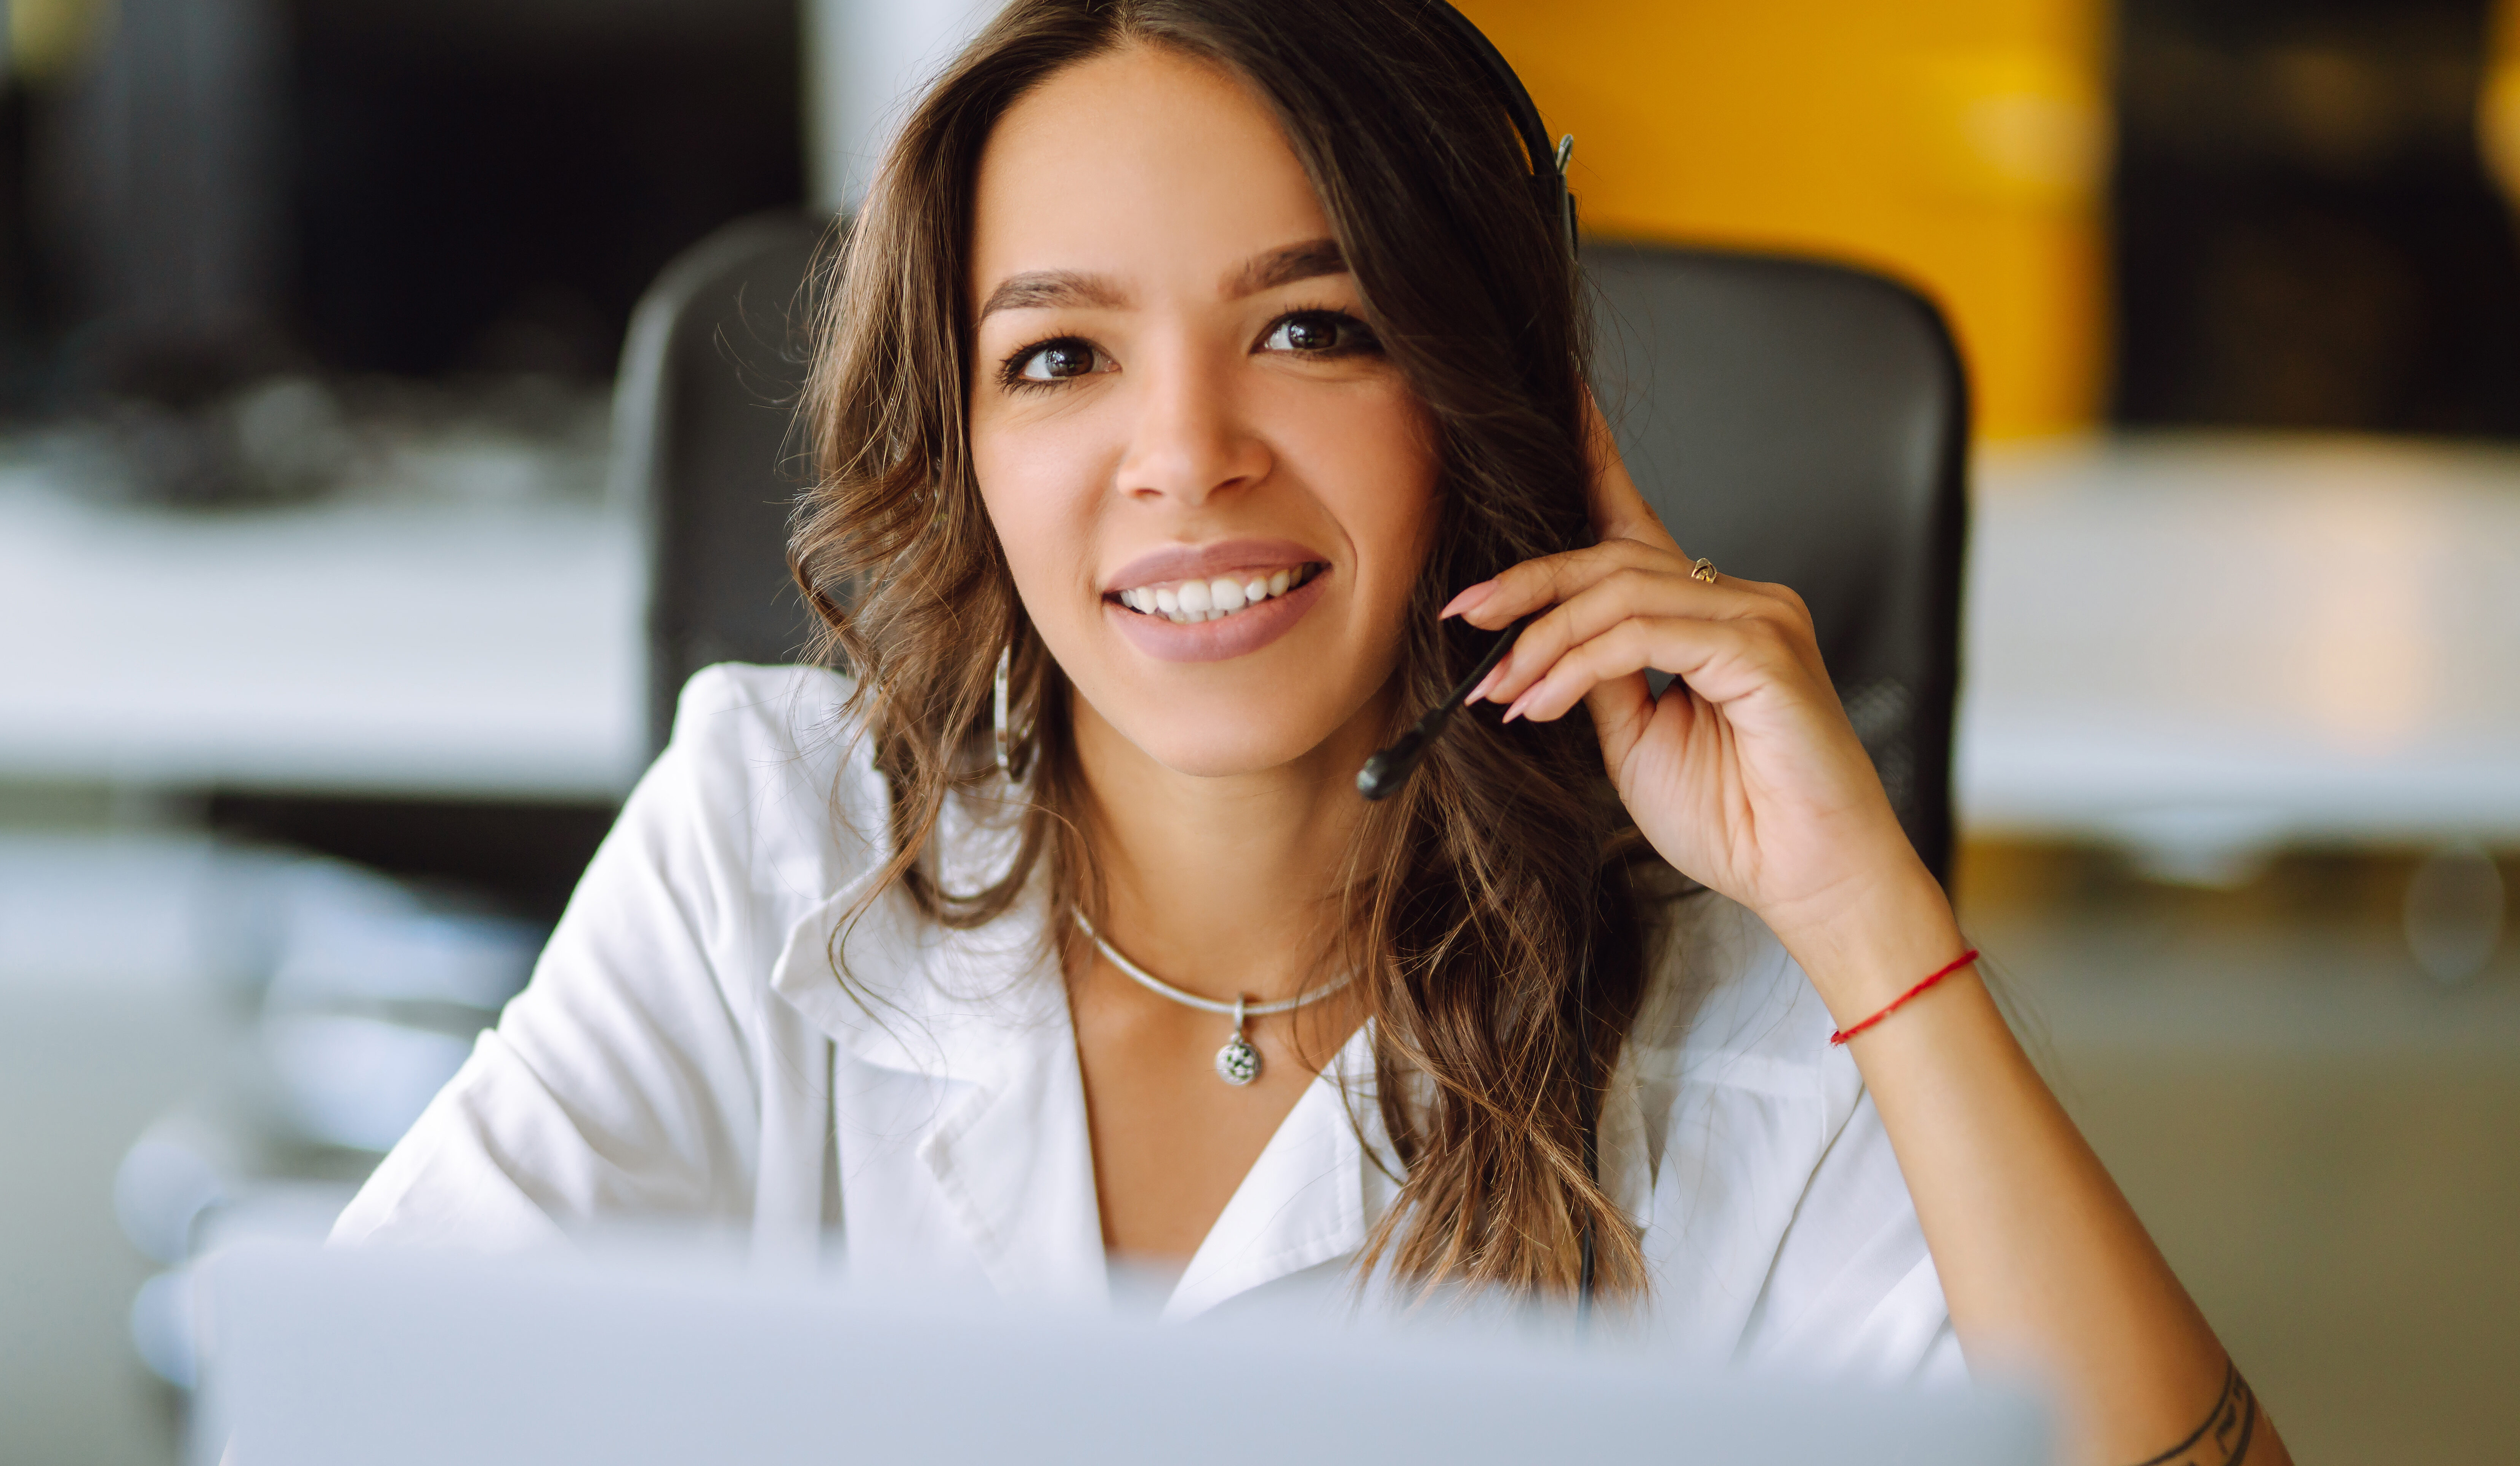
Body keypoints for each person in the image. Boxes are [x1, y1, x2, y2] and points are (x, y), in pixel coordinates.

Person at [335, 2, 2283, 1461]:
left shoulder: (1745, 1002)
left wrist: (1869, 920)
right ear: (968, 450)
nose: (1184, 454)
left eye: (1311, 327)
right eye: (1059, 356)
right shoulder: (769, 835)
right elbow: (356, 1404)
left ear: (1479, 391)